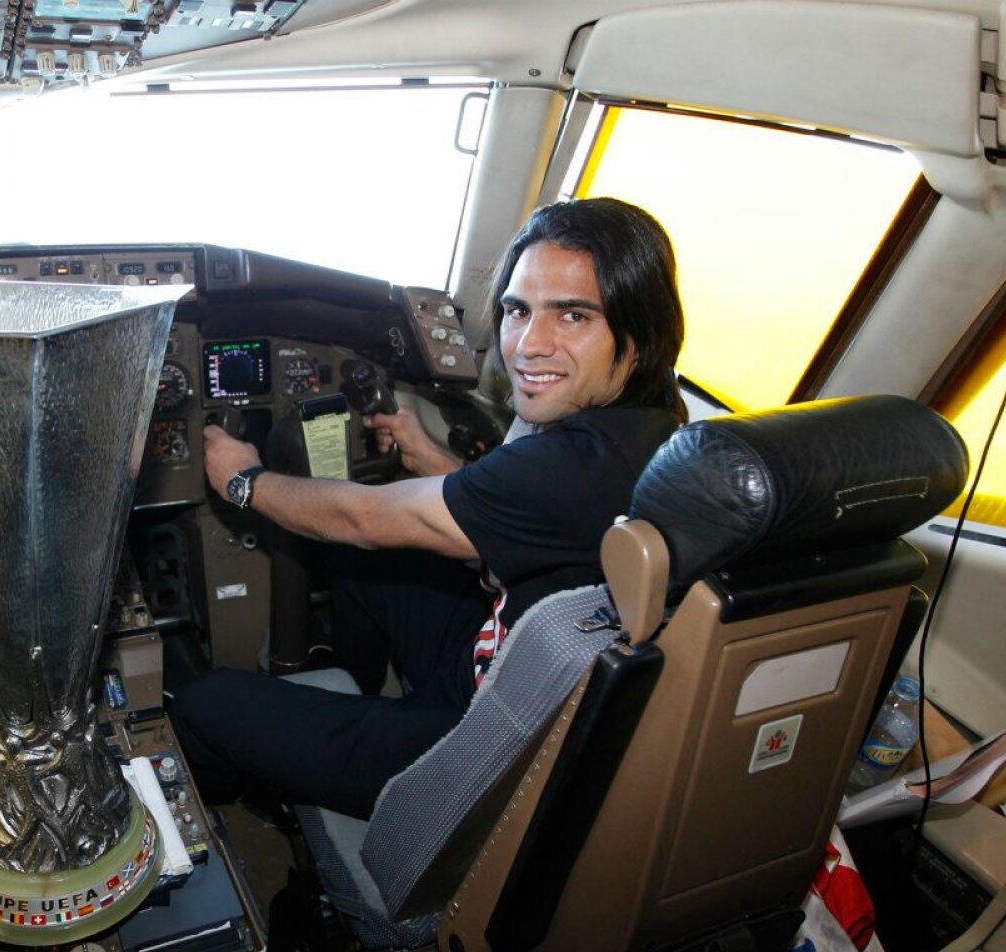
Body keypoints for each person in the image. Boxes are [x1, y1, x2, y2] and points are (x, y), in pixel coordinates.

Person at [170, 197, 687, 819]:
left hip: (480, 748)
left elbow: (364, 519)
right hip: (515, 670)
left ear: (640, 332)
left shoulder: (572, 468)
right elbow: (520, 516)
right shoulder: (651, 427)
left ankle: (279, 791)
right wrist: (437, 459)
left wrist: (244, 480)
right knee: (359, 568)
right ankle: (351, 708)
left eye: (573, 316)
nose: (528, 344)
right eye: (517, 310)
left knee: (206, 705)